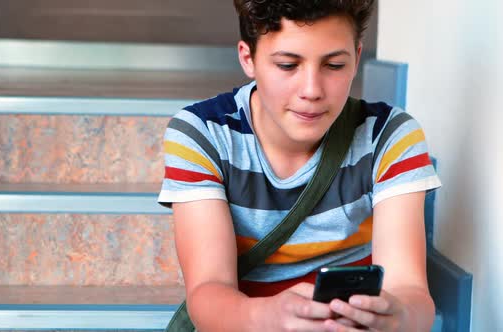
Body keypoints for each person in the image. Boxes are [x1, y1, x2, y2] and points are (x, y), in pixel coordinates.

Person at [158, 0, 441, 330]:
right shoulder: (201, 133)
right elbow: (207, 292)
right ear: (247, 58)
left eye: (334, 65)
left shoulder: (390, 136)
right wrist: (269, 317)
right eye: (288, 65)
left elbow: (410, 291)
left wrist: (400, 317)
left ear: (357, 58)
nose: (312, 90)